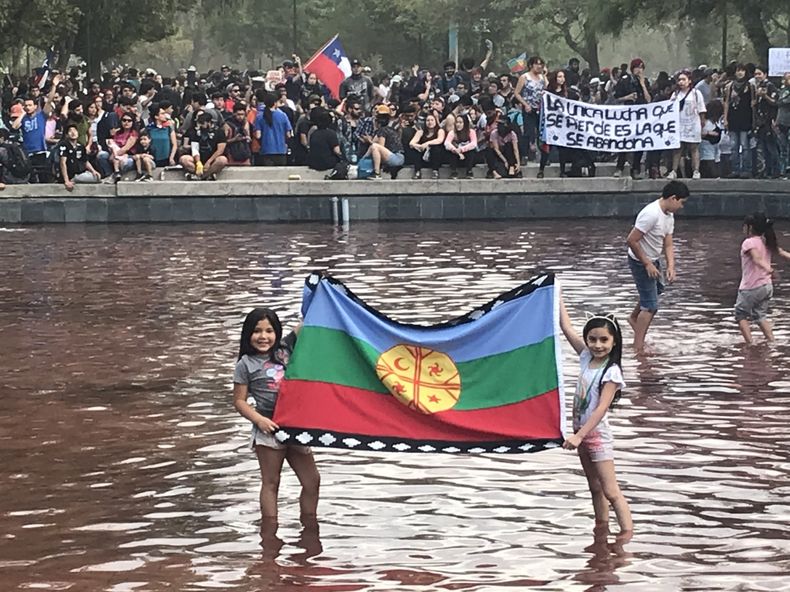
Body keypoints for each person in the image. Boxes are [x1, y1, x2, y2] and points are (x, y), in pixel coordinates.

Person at [232, 308, 320, 520]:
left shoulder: (285, 349)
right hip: (267, 429)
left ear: (277, 333)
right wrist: (259, 420)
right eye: (257, 331)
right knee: (271, 483)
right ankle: (270, 531)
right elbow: (239, 401)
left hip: (295, 426)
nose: (263, 336)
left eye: (269, 331)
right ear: (248, 334)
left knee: (312, 481)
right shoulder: (245, 364)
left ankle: (309, 525)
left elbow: (305, 325)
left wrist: (321, 297)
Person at [559, 298, 632, 535]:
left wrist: (580, 436)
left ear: (614, 341)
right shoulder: (586, 358)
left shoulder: (611, 371)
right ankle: (602, 532)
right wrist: (557, 294)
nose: (597, 345)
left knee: (611, 491)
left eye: (604, 340)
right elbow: (566, 327)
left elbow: (601, 409)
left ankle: (626, 536)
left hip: (596, 435)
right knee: (594, 487)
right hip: (580, 434)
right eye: (592, 339)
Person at [626, 181, 690, 351]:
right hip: (640, 261)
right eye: (681, 202)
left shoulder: (669, 216)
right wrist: (647, 264)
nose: (681, 207)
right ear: (673, 198)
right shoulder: (651, 214)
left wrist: (671, 266)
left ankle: (634, 318)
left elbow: (668, 243)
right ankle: (638, 346)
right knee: (650, 306)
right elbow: (631, 240)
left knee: (656, 291)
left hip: (654, 259)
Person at [735, 213, 790, 344]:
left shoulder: (748, 242)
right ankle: (771, 341)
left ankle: (750, 344)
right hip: (766, 286)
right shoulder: (767, 241)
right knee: (760, 316)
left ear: (750, 227)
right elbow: (782, 253)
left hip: (751, 287)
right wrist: (769, 271)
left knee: (740, 315)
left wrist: (770, 270)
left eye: (744, 226)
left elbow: (757, 259)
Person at [667, 70, 706, 180]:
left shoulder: (696, 94)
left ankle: (696, 171)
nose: (681, 82)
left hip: (693, 124)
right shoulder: (675, 94)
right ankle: (674, 171)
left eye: (684, 79)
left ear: (689, 81)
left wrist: (702, 124)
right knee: (678, 149)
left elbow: (702, 110)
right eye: (679, 80)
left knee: (694, 148)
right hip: (679, 124)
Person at [57, 122, 101, 191]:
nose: (73, 133)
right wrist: (66, 181)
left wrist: (93, 171)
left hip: (80, 173)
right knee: (94, 179)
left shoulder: (80, 146)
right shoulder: (64, 145)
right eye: (70, 131)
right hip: (71, 175)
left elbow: (85, 161)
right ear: (66, 135)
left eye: (74, 131)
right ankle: (72, 179)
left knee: (97, 176)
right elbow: (63, 163)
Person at [254, 92, 292, 166]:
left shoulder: (259, 116)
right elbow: (288, 135)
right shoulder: (283, 115)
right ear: (275, 103)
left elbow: (258, 135)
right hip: (281, 150)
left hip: (266, 151)